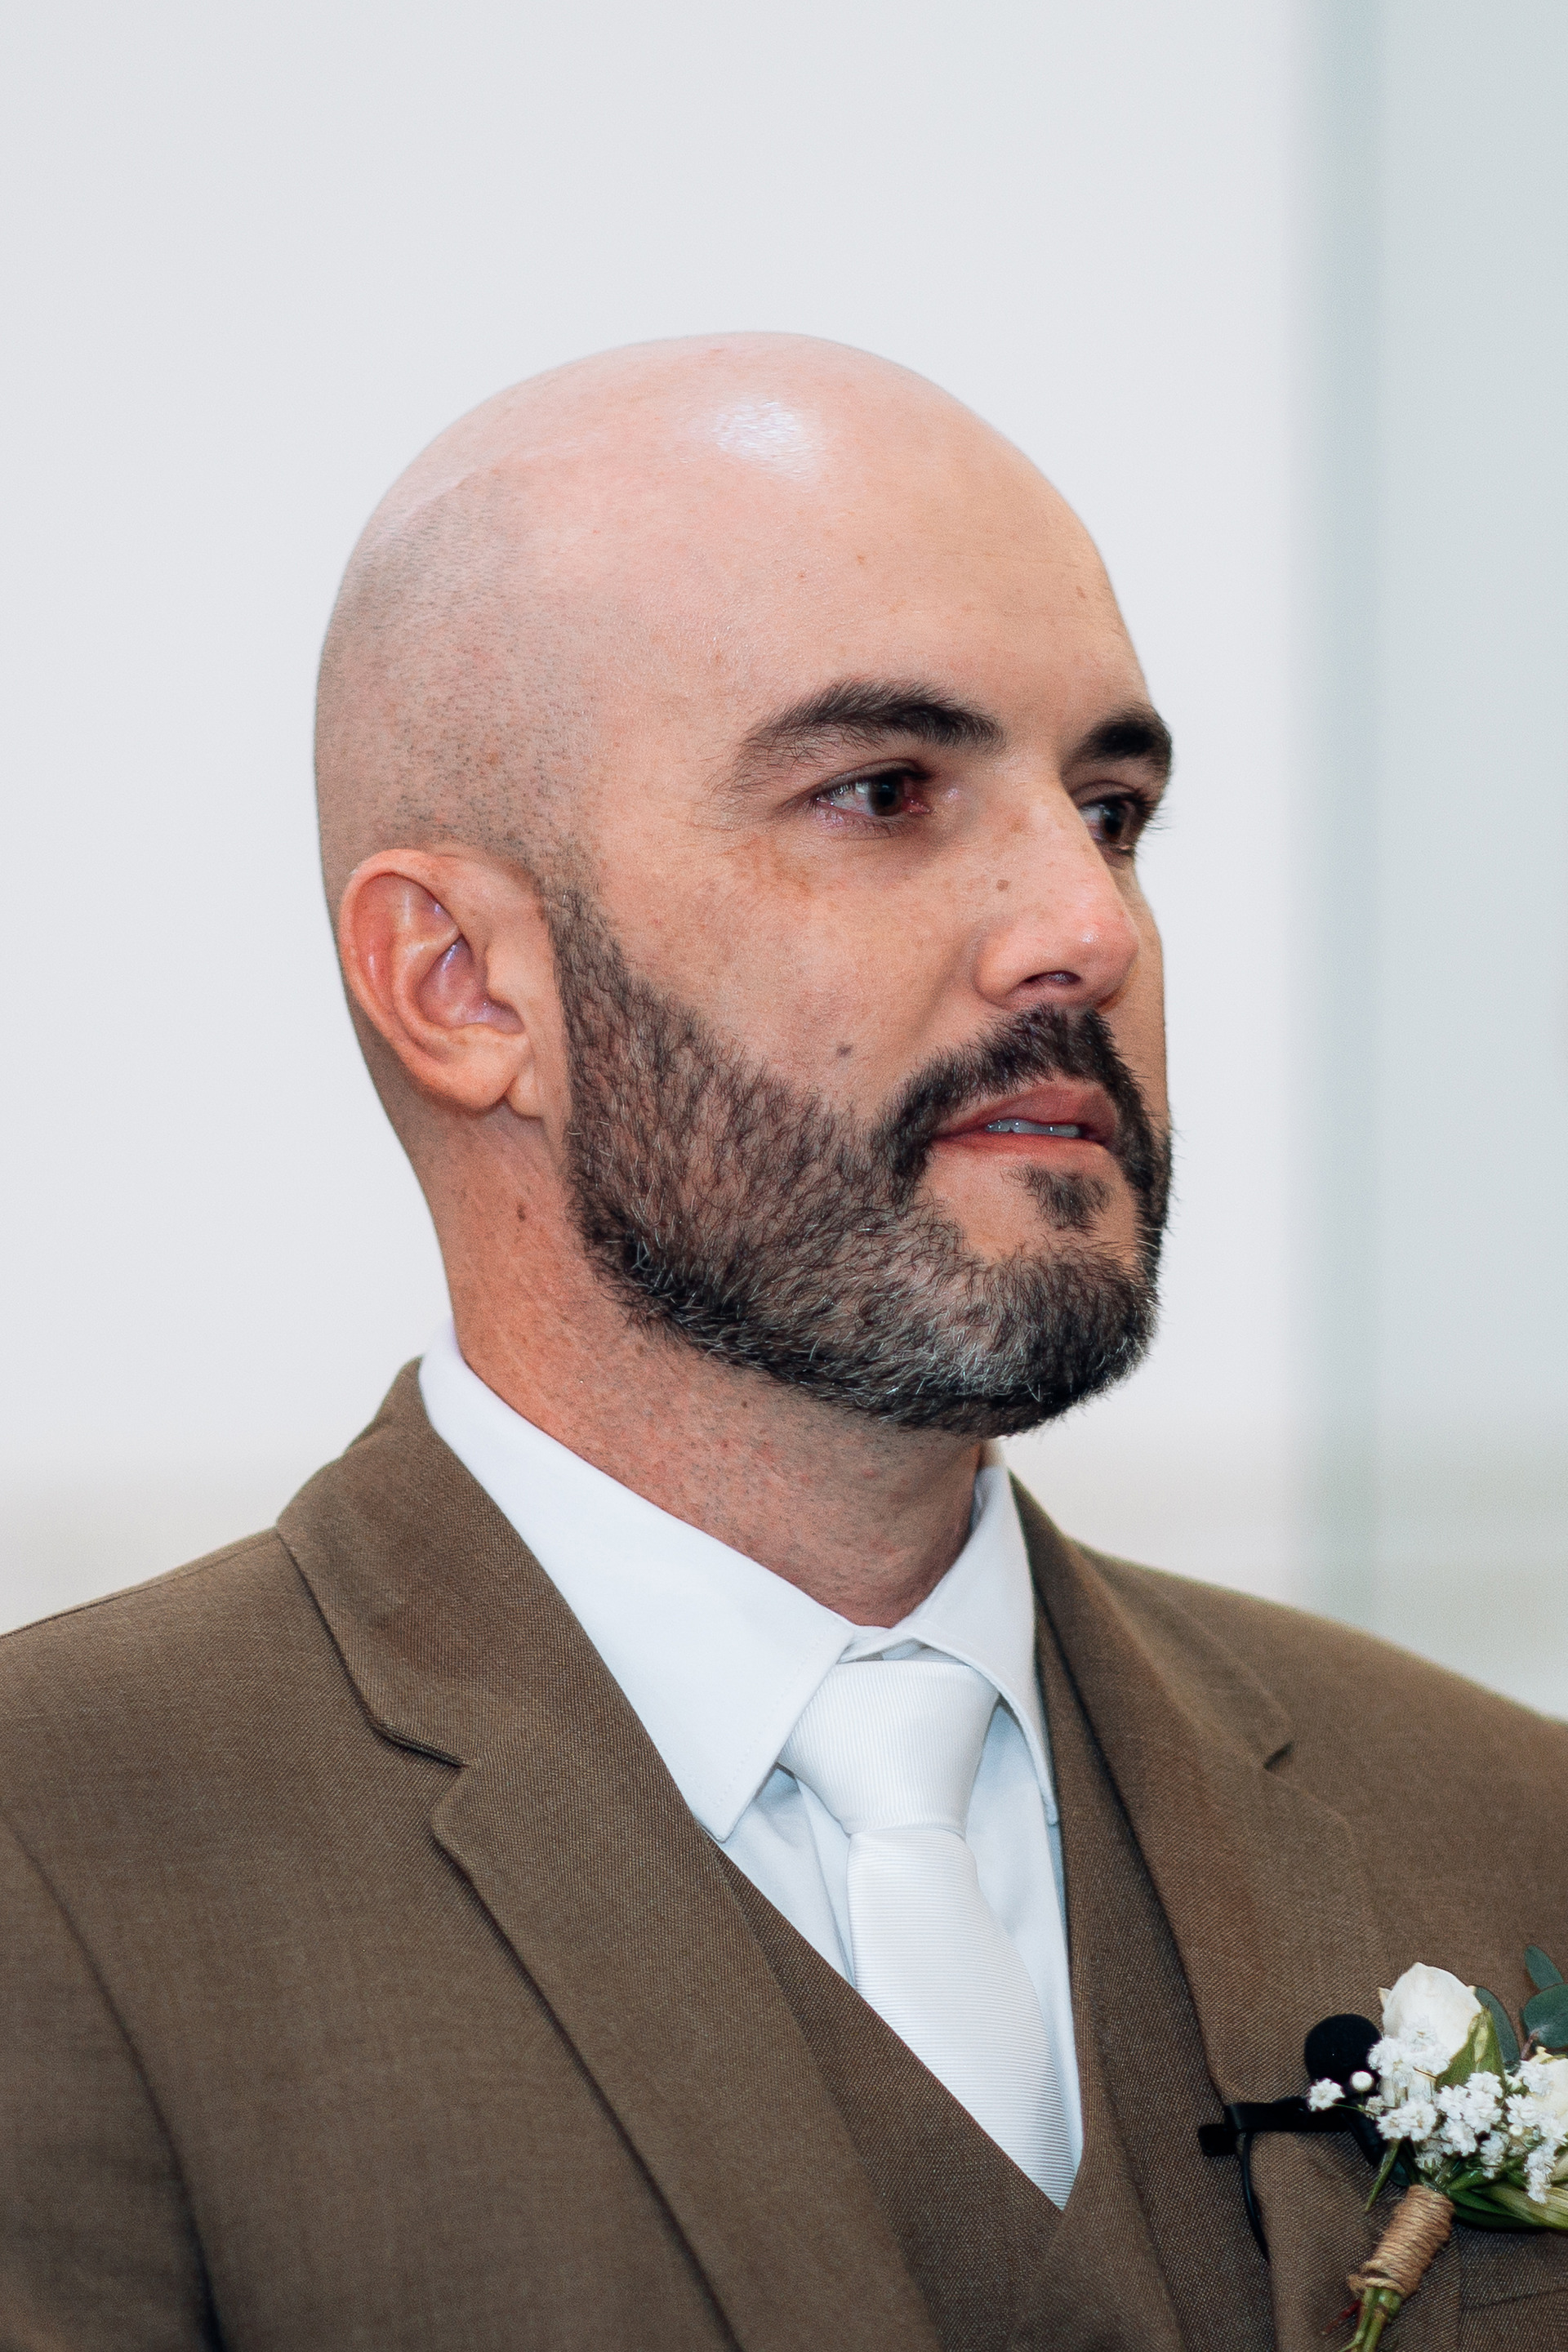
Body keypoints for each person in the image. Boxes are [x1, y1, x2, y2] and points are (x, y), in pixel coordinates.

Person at [2, 336, 1563, 2352]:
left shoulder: (1502, 1824)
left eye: (1111, 808)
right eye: (884, 794)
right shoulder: (57, 1867)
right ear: (464, 983)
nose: (1087, 926)